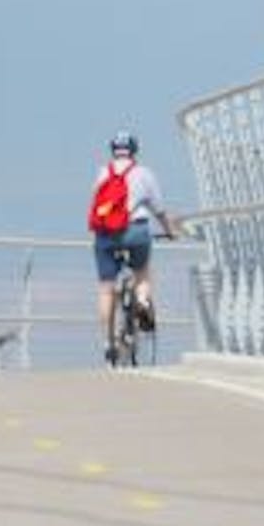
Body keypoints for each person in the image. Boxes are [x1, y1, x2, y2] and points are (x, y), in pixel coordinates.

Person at [89, 130, 181, 366]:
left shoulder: (102, 173)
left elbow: (97, 207)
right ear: (134, 150)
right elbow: (159, 211)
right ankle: (141, 300)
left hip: (106, 234)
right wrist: (170, 231)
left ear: (113, 150)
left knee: (106, 289)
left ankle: (107, 344)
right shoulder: (144, 174)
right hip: (136, 231)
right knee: (142, 272)